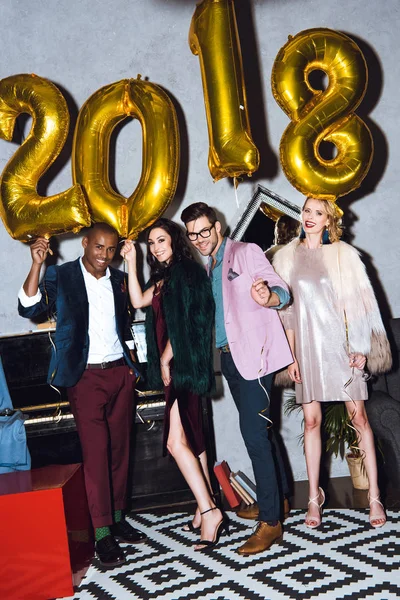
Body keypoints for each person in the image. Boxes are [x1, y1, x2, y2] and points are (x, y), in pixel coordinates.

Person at [18, 223, 146, 568]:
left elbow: (126, 325)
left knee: (120, 449)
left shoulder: (118, 279)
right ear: (85, 243)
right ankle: (102, 533)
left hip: (120, 372)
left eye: (110, 249)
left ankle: (117, 517)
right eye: (98, 248)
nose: (104, 256)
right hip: (85, 377)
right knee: (96, 454)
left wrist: (132, 368)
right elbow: (29, 308)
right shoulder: (61, 275)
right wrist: (36, 264)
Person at [181, 202, 293, 556]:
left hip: (256, 359)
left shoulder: (245, 252)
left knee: (253, 435)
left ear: (218, 227)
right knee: (262, 433)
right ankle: (279, 499)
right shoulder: (208, 265)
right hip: (230, 360)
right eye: (192, 234)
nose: (199, 239)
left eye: (204, 231)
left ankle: (272, 522)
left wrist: (270, 296)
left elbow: (280, 288)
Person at [273, 197, 392, 529]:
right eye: (307, 211)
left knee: (360, 420)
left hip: (342, 350)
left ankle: (374, 495)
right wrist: (290, 358)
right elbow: (287, 316)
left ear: (329, 220)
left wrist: (362, 349)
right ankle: (314, 496)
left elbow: (362, 307)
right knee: (311, 422)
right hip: (308, 352)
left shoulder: (344, 255)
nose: (310, 217)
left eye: (318, 213)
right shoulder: (286, 258)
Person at [121, 218, 227, 551]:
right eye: (150, 242)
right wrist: (132, 260)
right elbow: (138, 301)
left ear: (175, 240)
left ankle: (210, 512)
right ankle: (203, 505)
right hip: (180, 366)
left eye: (160, 240)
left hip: (183, 367)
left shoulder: (185, 272)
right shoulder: (168, 275)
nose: (155, 247)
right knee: (194, 437)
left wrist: (167, 359)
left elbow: (188, 322)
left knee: (175, 443)